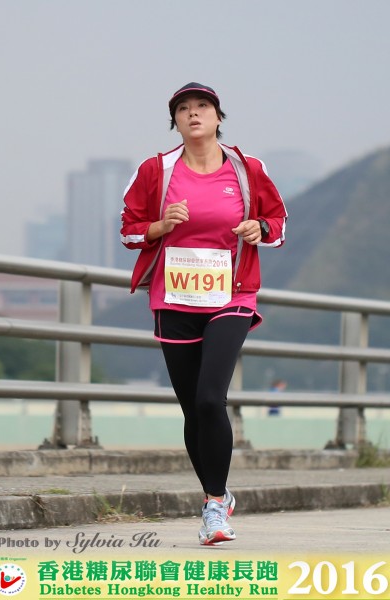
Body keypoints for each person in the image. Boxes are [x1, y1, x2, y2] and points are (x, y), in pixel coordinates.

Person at [120, 81, 287, 545]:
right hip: (175, 297)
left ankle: (214, 506)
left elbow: (279, 224)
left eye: (202, 107)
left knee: (212, 398)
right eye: (183, 109)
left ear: (218, 117)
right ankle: (217, 493)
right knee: (193, 408)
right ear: (175, 121)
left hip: (231, 294)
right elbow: (129, 230)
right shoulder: (156, 170)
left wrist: (260, 227)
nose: (193, 114)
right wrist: (160, 225)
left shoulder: (248, 168)